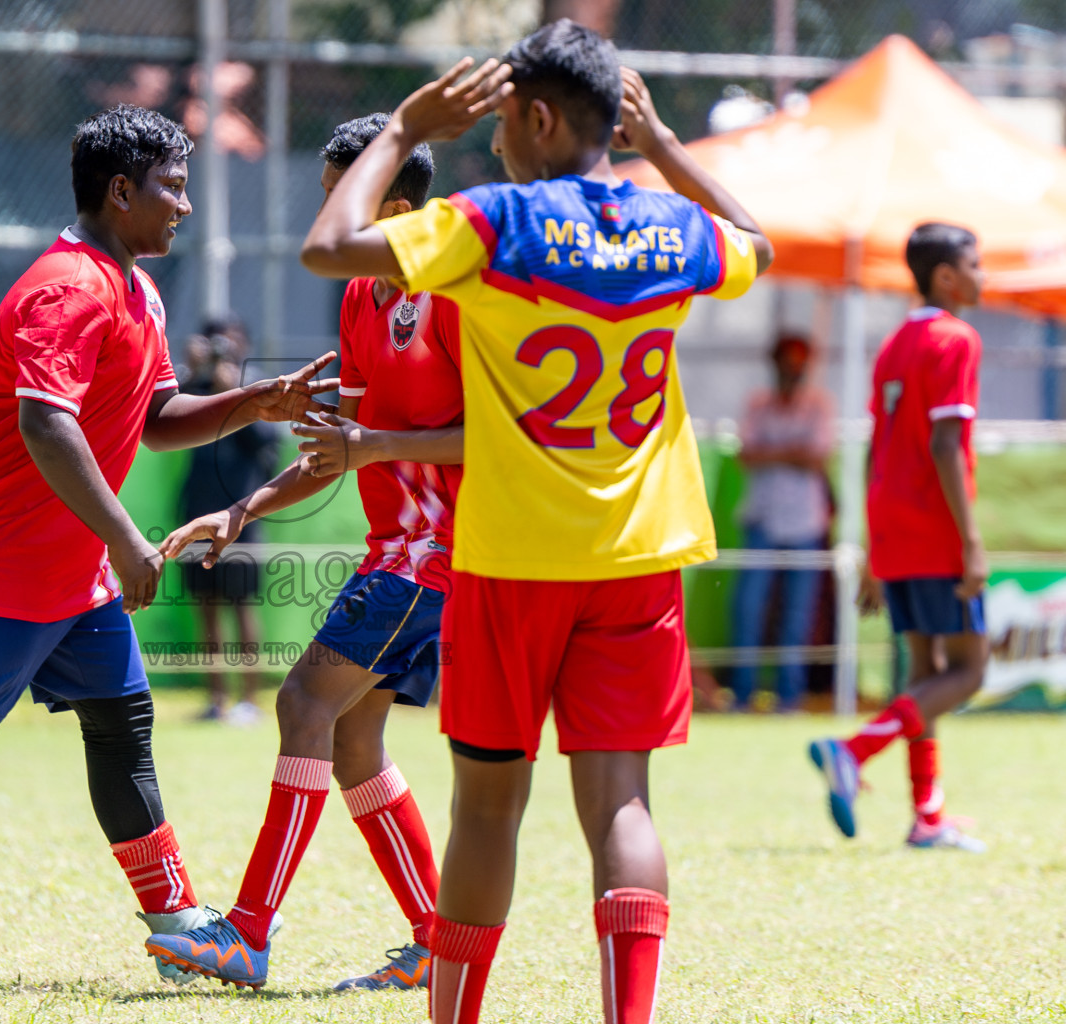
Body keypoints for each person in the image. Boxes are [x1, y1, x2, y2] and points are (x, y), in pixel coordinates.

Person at [295, 22, 770, 1024]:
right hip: (638, 562)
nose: (496, 137)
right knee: (623, 808)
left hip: (510, 561)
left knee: (486, 808)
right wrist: (669, 150)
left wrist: (405, 131)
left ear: (541, 117)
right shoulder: (670, 227)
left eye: (506, 117)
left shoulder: (495, 220)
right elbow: (758, 246)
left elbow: (328, 247)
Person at [0, 104, 339, 992]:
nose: (186, 205)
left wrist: (252, 403)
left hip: (71, 559)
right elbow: (45, 424)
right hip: (2, 550)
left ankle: (177, 923)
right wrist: (129, 539)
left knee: (123, 724)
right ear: (120, 191)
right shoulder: (67, 287)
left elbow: (158, 418)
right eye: (172, 188)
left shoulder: (136, 286)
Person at [145, 112, 460, 992]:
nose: (327, 217)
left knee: (300, 702)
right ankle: (436, 943)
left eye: (341, 197)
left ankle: (247, 933)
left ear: (393, 205)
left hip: (437, 556)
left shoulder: (459, 294)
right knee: (355, 742)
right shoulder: (362, 296)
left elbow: (496, 442)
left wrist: (378, 448)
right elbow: (334, 442)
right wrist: (243, 508)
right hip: (394, 552)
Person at [809, 222, 989, 852]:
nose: (982, 276)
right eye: (975, 264)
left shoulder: (894, 345)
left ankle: (927, 816)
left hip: (894, 526)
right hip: (936, 530)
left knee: (925, 671)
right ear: (946, 275)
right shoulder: (955, 339)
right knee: (969, 671)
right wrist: (970, 542)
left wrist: (870, 549)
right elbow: (945, 443)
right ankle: (853, 750)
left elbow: (876, 448)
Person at [175, 318, 279, 725]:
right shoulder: (195, 387)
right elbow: (165, 418)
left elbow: (267, 446)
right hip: (197, 512)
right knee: (206, 607)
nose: (222, 349)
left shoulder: (254, 391)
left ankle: (249, 701)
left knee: (242, 605)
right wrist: (191, 372)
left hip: (242, 515)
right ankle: (216, 700)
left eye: (229, 341)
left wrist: (231, 391)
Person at [730, 334, 835, 711]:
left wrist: (772, 452)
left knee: (797, 614)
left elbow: (817, 458)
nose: (793, 372)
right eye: (786, 364)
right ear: (775, 365)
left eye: (799, 365)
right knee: (748, 607)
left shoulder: (818, 406)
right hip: (761, 519)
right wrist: (792, 452)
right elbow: (746, 455)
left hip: (805, 523)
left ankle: (789, 698)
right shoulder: (759, 404)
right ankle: (743, 694)